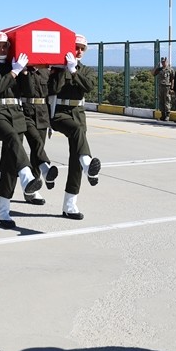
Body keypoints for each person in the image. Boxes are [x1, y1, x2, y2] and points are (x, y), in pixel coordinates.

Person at [0, 31, 44, 230]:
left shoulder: (15, 65)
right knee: (12, 138)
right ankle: (27, 176)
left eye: (5, 46)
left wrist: (26, 72)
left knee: (9, 164)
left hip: (17, 113)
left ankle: (2, 212)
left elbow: (30, 90)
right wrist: (14, 72)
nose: (1, 49)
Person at [49, 34, 103, 219]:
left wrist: (74, 71)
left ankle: (69, 205)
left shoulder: (85, 70)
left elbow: (88, 86)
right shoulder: (56, 69)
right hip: (59, 112)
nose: (78, 51)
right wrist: (64, 69)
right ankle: (88, 165)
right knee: (78, 135)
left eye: (82, 48)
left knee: (76, 159)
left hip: (78, 113)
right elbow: (53, 89)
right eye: (76, 47)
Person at [17, 61, 58, 206]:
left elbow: (53, 93)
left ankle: (31, 189)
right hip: (25, 111)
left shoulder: (47, 71)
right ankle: (46, 169)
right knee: (36, 142)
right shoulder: (21, 69)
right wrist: (25, 72)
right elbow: (27, 90)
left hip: (42, 113)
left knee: (36, 152)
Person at [153, 57, 173, 121]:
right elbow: (153, 74)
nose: (163, 63)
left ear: (166, 62)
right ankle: (162, 115)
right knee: (161, 101)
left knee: (167, 100)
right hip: (161, 86)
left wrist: (172, 88)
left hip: (167, 86)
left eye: (164, 62)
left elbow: (172, 79)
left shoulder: (170, 69)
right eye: (162, 62)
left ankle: (167, 115)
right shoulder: (159, 69)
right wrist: (156, 67)